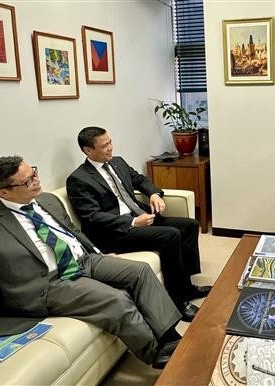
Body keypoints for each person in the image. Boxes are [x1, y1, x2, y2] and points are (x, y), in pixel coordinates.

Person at [0, 156, 182, 369]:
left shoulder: (47, 201)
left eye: (34, 173)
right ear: (2, 192)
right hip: (47, 284)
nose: (35, 180)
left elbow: (72, 233)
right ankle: (156, 354)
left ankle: (170, 338)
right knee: (116, 299)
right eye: (26, 181)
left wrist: (98, 253)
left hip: (83, 261)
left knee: (140, 270)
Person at [66, 127, 210, 322]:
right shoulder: (78, 179)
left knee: (190, 225)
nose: (110, 148)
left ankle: (187, 286)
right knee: (170, 235)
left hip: (141, 215)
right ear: (87, 151)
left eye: (110, 142)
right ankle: (178, 301)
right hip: (115, 232)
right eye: (104, 146)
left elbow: (140, 180)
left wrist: (154, 194)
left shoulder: (117, 162)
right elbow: (93, 217)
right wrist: (132, 221)